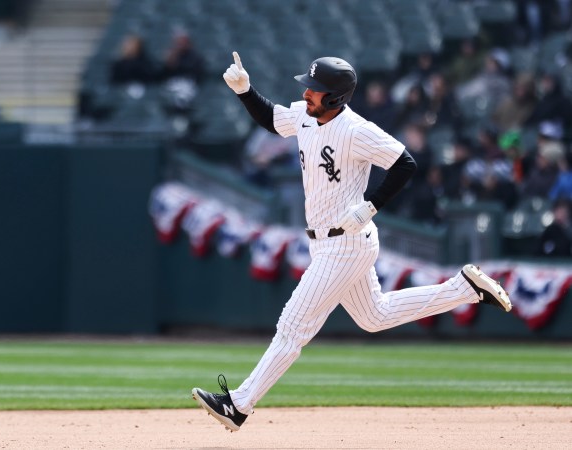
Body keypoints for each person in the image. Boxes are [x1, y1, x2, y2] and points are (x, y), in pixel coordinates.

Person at [191, 53, 513, 432]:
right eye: (309, 86)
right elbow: (272, 119)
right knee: (374, 316)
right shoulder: (304, 116)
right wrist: (245, 92)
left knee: (292, 326)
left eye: (316, 89)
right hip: (327, 243)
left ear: (336, 97)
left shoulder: (356, 130)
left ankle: (239, 405)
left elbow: (405, 162)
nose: (308, 93)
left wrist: (370, 207)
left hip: (346, 243)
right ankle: (463, 288)